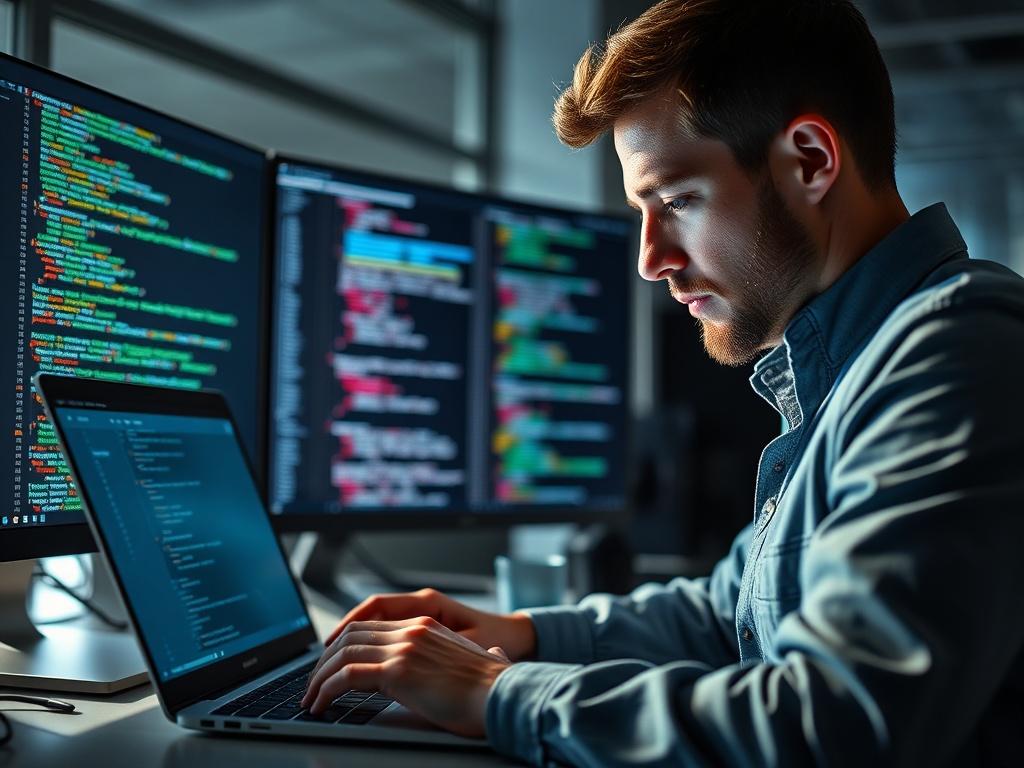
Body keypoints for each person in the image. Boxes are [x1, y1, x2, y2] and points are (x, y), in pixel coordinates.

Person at [302, 1, 1024, 764]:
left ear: (811, 160)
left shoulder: (957, 352)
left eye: (676, 201)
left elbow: (834, 726)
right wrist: (524, 635)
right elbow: (729, 612)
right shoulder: (858, 366)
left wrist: (495, 694)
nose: (651, 260)